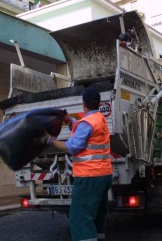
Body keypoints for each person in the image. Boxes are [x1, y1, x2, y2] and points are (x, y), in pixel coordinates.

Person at [47, 86, 113, 241]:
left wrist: (52, 141)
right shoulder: (100, 119)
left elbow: (72, 147)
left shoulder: (87, 123)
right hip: (104, 175)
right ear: (98, 103)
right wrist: (70, 121)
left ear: (84, 104)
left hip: (89, 177)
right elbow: (84, 130)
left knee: (79, 219)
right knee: (97, 216)